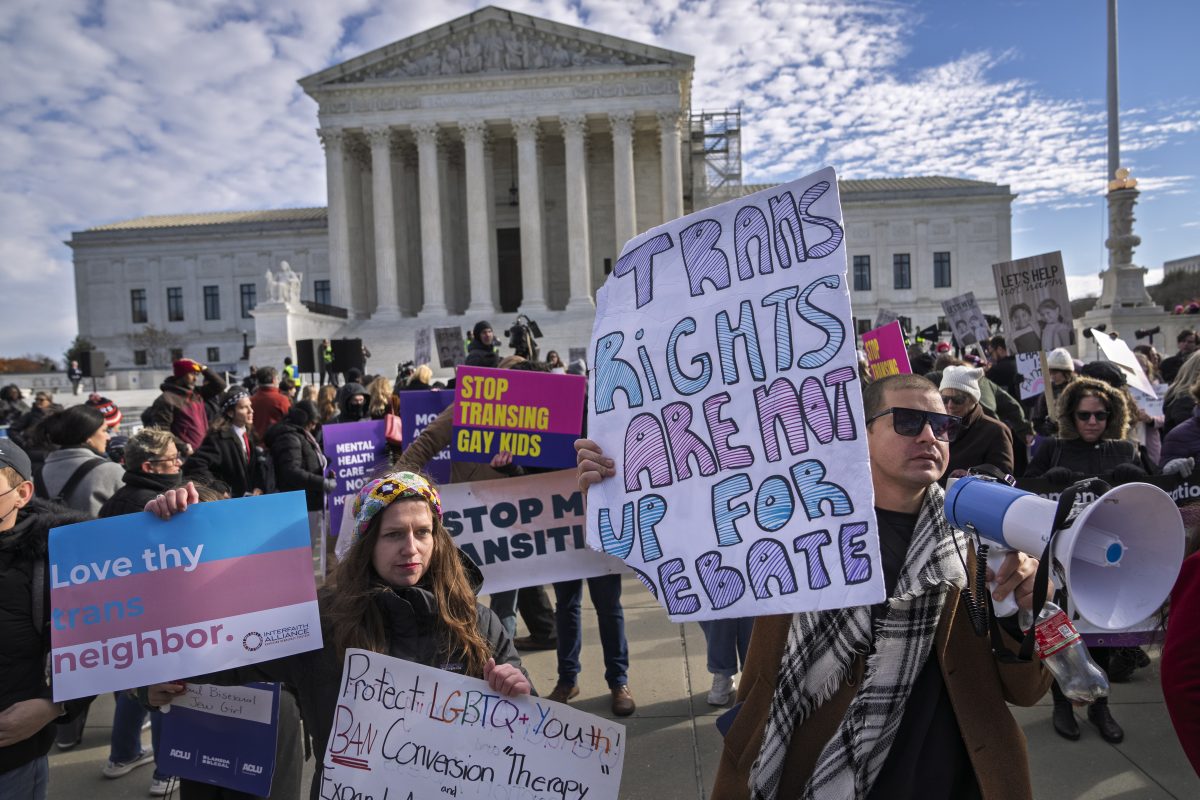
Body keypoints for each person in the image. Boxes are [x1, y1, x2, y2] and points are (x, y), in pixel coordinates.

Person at [579, 373, 1051, 798]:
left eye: (941, 425)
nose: (929, 435)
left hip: (946, 777)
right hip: (806, 764)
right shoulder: (788, 517)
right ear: (861, 432)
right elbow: (676, 531)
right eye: (908, 421)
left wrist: (1019, 609)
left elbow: (1027, 691)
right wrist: (615, 488)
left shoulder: (979, 540)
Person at [142, 471, 531, 800]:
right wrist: (182, 534)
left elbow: (524, 706)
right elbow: (221, 649)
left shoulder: (474, 621)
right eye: (393, 534)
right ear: (367, 542)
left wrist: (518, 685)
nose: (410, 548)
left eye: (422, 532)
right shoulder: (320, 622)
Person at [0, 440, 92, 800]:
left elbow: (101, 646)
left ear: (22, 493)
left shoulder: (53, 562)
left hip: (11, 763)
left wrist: (55, 704)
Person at [95, 429, 182, 795]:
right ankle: (166, 772)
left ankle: (123, 754)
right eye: (173, 459)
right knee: (165, 693)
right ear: (150, 466)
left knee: (134, 687)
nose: (180, 464)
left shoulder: (116, 500)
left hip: (124, 614)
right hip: (158, 616)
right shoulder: (159, 506)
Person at [37, 405, 125, 517]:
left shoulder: (39, 473)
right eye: (104, 430)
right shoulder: (110, 470)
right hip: (99, 534)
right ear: (88, 436)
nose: (108, 437)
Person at [185, 389, 274, 498]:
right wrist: (219, 489)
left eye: (250, 406)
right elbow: (195, 465)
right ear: (230, 413)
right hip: (229, 502)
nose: (251, 411)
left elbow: (254, 467)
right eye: (244, 407)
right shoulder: (219, 439)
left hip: (246, 499)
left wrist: (258, 486)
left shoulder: (248, 434)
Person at [939, 365, 1014, 480]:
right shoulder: (936, 426)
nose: (950, 405)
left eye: (958, 400)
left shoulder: (995, 431)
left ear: (973, 399)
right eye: (944, 399)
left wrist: (972, 476)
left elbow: (1002, 478)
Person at [146, 358, 227, 455]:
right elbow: (162, 431)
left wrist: (204, 369)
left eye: (196, 374)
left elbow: (220, 385)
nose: (195, 379)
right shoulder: (166, 399)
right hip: (184, 455)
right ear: (181, 375)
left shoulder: (197, 394)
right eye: (192, 374)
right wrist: (182, 447)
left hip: (203, 450)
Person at [1030, 347, 1076, 437]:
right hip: (1057, 443)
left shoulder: (1079, 389)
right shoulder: (1047, 392)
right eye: (1050, 373)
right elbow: (1037, 422)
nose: (1052, 376)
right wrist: (1047, 428)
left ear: (1066, 372)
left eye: (1055, 373)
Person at [249, 367, 290, 440]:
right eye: (278, 379)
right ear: (274, 380)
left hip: (256, 442)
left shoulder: (250, 400)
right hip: (277, 442)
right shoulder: (282, 400)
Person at [985, 336, 1021, 402]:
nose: (991, 357)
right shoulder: (1020, 360)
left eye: (991, 353)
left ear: (1000, 349)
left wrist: (987, 371)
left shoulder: (997, 369)